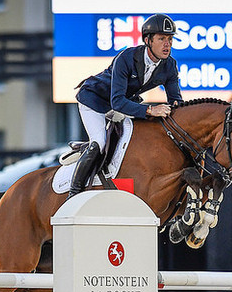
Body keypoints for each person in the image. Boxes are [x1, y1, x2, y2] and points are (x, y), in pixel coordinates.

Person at [68, 13, 183, 198]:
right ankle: (74, 192)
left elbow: (176, 101)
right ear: (148, 40)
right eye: (162, 39)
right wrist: (150, 110)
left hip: (120, 107)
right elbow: (118, 101)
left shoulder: (169, 65)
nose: (167, 44)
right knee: (100, 142)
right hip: (94, 101)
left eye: (170, 39)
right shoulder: (127, 58)